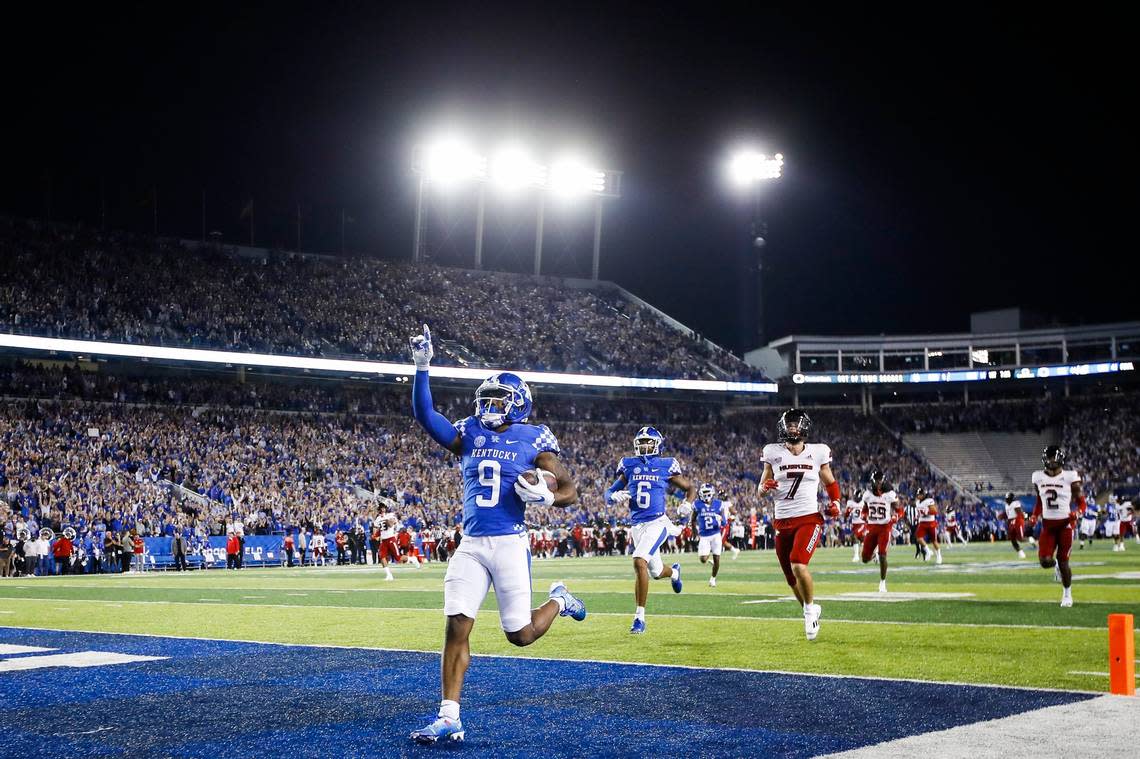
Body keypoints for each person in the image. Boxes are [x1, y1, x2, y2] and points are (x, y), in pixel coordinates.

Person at [407, 325, 586, 745]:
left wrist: (548, 497)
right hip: (471, 544)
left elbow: (570, 489)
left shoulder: (535, 437)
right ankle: (449, 716)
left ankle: (560, 598)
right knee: (456, 627)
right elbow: (425, 416)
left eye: (497, 401)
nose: (488, 407)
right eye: (485, 400)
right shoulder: (470, 431)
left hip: (509, 542)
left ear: (519, 404)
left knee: (520, 634)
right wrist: (421, 367)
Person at [759, 408, 842, 641]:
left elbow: (830, 482)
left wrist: (835, 502)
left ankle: (808, 612)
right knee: (790, 578)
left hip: (808, 518)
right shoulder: (772, 452)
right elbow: (760, 488)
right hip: (781, 520)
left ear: (804, 427)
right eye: (789, 425)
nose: (792, 428)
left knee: (798, 563)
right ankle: (810, 608)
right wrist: (764, 488)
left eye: (796, 424)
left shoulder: (818, 452)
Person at [606, 426, 693, 634]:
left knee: (639, 561)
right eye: (641, 442)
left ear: (657, 445)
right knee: (655, 571)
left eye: (648, 442)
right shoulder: (629, 465)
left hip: (657, 522)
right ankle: (674, 572)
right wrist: (612, 496)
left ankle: (639, 618)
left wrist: (687, 504)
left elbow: (690, 488)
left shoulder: (665, 465)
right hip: (637, 526)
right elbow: (609, 491)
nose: (644, 446)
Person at [1029, 445, 1085, 607]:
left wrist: (1078, 513)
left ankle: (1067, 594)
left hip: (1065, 525)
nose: (1052, 461)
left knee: (1064, 561)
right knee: (1045, 561)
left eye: (1054, 457)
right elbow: (1040, 501)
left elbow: (1081, 502)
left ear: (1060, 458)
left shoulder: (1070, 477)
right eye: (1049, 457)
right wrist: (1034, 515)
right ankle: (1056, 568)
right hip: (1048, 526)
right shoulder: (1038, 477)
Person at [859, 471, 901, 593]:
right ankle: (874, 555)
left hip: (884, 527)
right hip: (872, 527)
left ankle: (882, 582)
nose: (879, 483)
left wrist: (895, 517)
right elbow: (865, 510)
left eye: (880, 480)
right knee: (865, 559)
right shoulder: (867, 494)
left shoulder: (890, 494)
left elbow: (899, 510)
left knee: (883, 555)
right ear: (872, 481)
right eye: (877, 480)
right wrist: (863, 515)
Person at [691, 483, 735, 587]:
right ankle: (708, 555)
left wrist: (720, 519)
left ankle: (713, 579)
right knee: (703, 559)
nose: (706, 495)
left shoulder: (719, 504)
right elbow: (692, 520)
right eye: (704, 493)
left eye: (707, 493)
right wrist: (694, 533)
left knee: (717, 559)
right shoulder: (697, 504)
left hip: (716, 535)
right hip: (704, 536)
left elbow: (725, 523)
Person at [913, 488, 942, 564]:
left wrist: (927, 511)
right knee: (918, 538)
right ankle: (928, 551)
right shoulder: (917, 502)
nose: (918, 496)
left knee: (934, 541)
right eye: (917, 494)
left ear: (923, 495)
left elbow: (935, 511)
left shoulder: (929, 500)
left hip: (930, 523)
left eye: (919, 494)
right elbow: (919, 512)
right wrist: (917, 516)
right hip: (922, 522)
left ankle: (939, 556)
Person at [1002, 492, 1027, 558]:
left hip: (1017, 521)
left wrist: (1020, 521)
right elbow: (1008, 515)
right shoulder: (1006, 505)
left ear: (1011, 499)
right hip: (1011, 522)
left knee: (1021, 539)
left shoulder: (1015, 503)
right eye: (1006, 498)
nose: (1007, 500)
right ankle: (1021, 553)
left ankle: (1031, 540)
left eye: (1008, 498)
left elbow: (1019, 513)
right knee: (1012, 539)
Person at [845, 488, 866, 562]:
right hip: (854, 525)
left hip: (862, 523)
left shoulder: (864, 503)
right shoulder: (850, 503)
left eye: (856, 496)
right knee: (862, 540)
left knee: (855, 536)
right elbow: (846, 516)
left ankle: (856, 556)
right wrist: (848, 511)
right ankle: (874, 555)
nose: (855, 498)